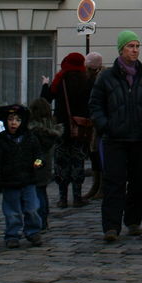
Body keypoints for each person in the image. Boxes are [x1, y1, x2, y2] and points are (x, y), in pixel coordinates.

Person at [89, 31, 142, 242]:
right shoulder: (106, 77)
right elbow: (95, 105)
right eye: (130, 46)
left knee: (140, 183)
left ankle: (133, 220)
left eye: (137, 46)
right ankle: (111, 226)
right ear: (121, 49)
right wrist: (105, 126)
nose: (135, 50)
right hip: (115, 139)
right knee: (114, 183)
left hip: (140, 139)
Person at [41, 52, 91, 207]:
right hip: (79, 127)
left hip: (62, 126)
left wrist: (45, 84)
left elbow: (46, 99)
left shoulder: (60, 79)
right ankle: (77, 196)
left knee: (61, 163)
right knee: (78, 161)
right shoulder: (86, 79)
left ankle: (62, 198)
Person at [0, 104, 43, 248]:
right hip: (9, 181)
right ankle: (12, 235)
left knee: (32, 208)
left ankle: (33, 232)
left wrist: (38, 162)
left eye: (17, 120)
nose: (14, 123)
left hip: (28, 180)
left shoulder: (30, 138)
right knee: (12, 212)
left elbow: (39, 155)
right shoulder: (1, 140)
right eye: (10, 119)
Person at [28, 97, 62, 230]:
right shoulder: (50, 131)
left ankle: (39, 221)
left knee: (36, 195)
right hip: (45, 166)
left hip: (36, 165)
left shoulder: (34, 132)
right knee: (42, 193)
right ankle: (43, 220)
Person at [83, 52, 104, 201]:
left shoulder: (101, 78)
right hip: (92, 122)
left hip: (100, 123)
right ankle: (96, 185)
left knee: (100, 155)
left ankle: (102, 187)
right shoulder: (90, 77)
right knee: (94, 154)